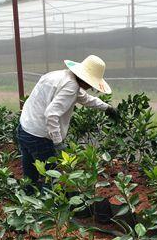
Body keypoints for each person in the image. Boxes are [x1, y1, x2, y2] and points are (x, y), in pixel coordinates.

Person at [17, 54, 119, 190]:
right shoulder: (71, 87)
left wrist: (107, 108)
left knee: (30, 174)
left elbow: (84, 98)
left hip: (25, 128)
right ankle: (48, 208)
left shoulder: (60, 76)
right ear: (86, 79)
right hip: (39, 137)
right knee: (52, 176)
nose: (90, 87)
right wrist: (58, 142)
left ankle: (27, 201)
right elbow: (51, 114)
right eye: (91, 84)